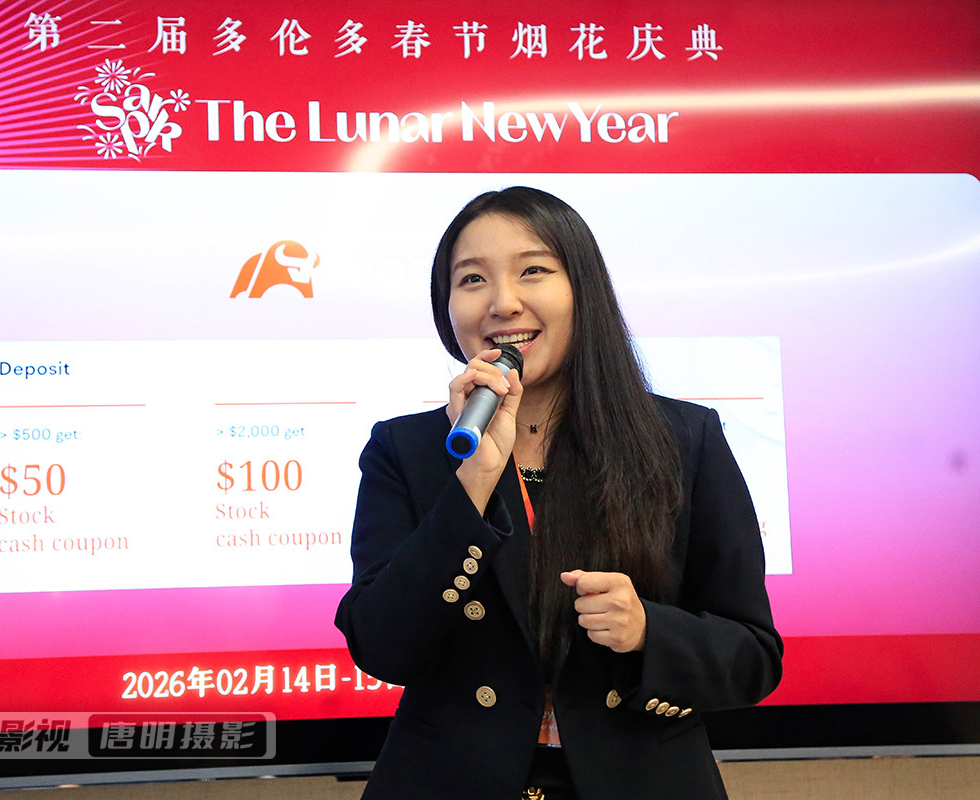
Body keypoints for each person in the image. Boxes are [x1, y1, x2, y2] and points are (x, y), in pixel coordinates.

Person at [335, 186, 782, 800]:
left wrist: (647, 630)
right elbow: (381, 646)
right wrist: (472, 483)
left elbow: (753, 656)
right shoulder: (405, 449)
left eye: (533, 271)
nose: (503, 302)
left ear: (583, 290)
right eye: (472, 279)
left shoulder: (683, 438)